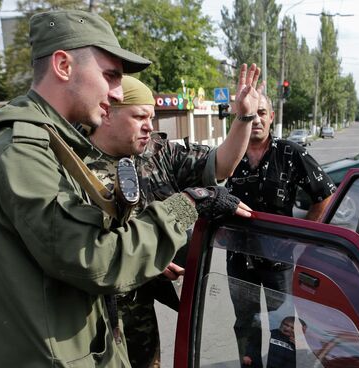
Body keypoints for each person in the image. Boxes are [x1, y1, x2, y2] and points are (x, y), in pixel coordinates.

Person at [0, 10, 250, 367]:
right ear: (63, 65)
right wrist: (187, 204)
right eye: (110, 75)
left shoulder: (54, 146)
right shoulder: (21, 151)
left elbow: (68, 251)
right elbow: (96, 259)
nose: (116, 93)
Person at [86, 71, 261, 368]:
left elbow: (223, 163)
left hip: (139, 311)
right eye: (139, 116)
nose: (149, 126)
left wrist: (244, 118)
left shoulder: (157, 152)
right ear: (107, 115)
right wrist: (146, 259)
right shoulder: (77, 165)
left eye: (151, 117)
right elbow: (88, 249)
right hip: (95, 317)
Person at [226, 94, 336, 367]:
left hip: (279, 262)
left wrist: (300, 236)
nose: (257, 119)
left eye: (262, 112)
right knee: (245, 324)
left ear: (271, 117)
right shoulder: (228, 155)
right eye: (252, 114)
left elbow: (325, 195)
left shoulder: (290, 153)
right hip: (238, 260)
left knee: (283, 327)